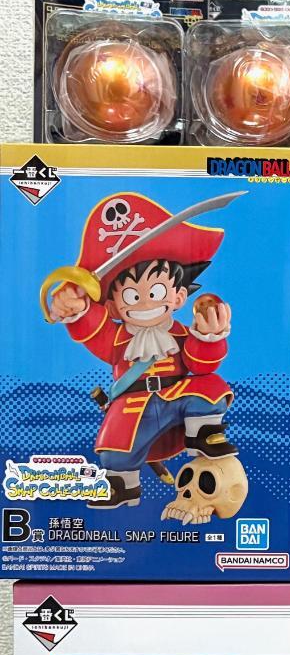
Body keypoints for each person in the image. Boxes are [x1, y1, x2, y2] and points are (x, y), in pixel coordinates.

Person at [46, 193, 235, 509]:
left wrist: (209, 335)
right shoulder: (116, 338)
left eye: (157, 291)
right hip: (132, 408)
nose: (146, 302)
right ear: (113, 306)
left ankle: (204, 432)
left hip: (177, 398)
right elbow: (92, 329)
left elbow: (201, 364)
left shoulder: (181, 334)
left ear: (178, 297)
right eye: (132, 296)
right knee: (114, 447)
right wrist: (76, 309)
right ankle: (122, 485)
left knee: (208, 385)